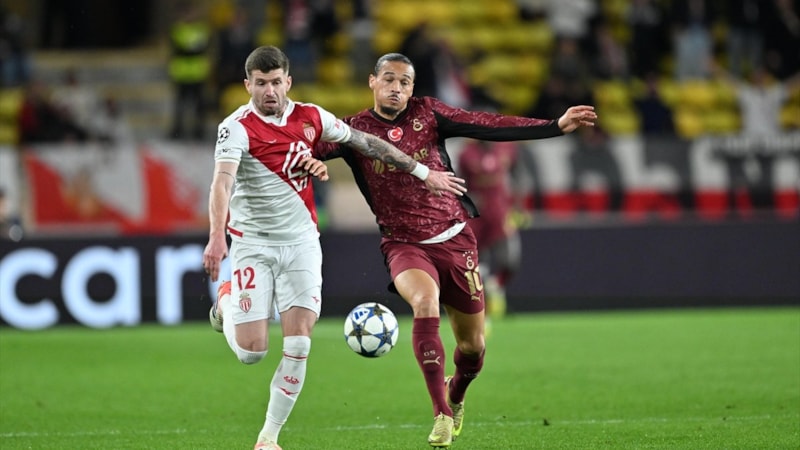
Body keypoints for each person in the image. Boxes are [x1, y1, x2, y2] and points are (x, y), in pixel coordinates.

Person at [313, 52, 596, 448]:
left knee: (473, 348)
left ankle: (456, 393)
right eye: (389, 79)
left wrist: (554, 126)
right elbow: (302, 146)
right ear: (372, 82)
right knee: (424, 302)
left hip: (455, 238)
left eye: (405, 82)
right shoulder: (352, 130)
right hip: (403, 243)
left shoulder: (428, 113)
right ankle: (441, 413)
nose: (396, 88)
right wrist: (306, 162)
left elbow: (487, 124)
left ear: (412, 88)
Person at [201, 46, 464, 450]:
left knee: (299, 343)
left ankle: (268, 438)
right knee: (252, 353)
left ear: (288, 82)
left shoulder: (312, 117)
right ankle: (226, 299)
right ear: (247, 85)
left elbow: (367, 143)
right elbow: (222, 182)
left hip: (302, 244)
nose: (269, 91)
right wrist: (217, 236)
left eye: (276, 82)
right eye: (261, 83)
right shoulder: (235, 127)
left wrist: (422, 170)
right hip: (254, 244)